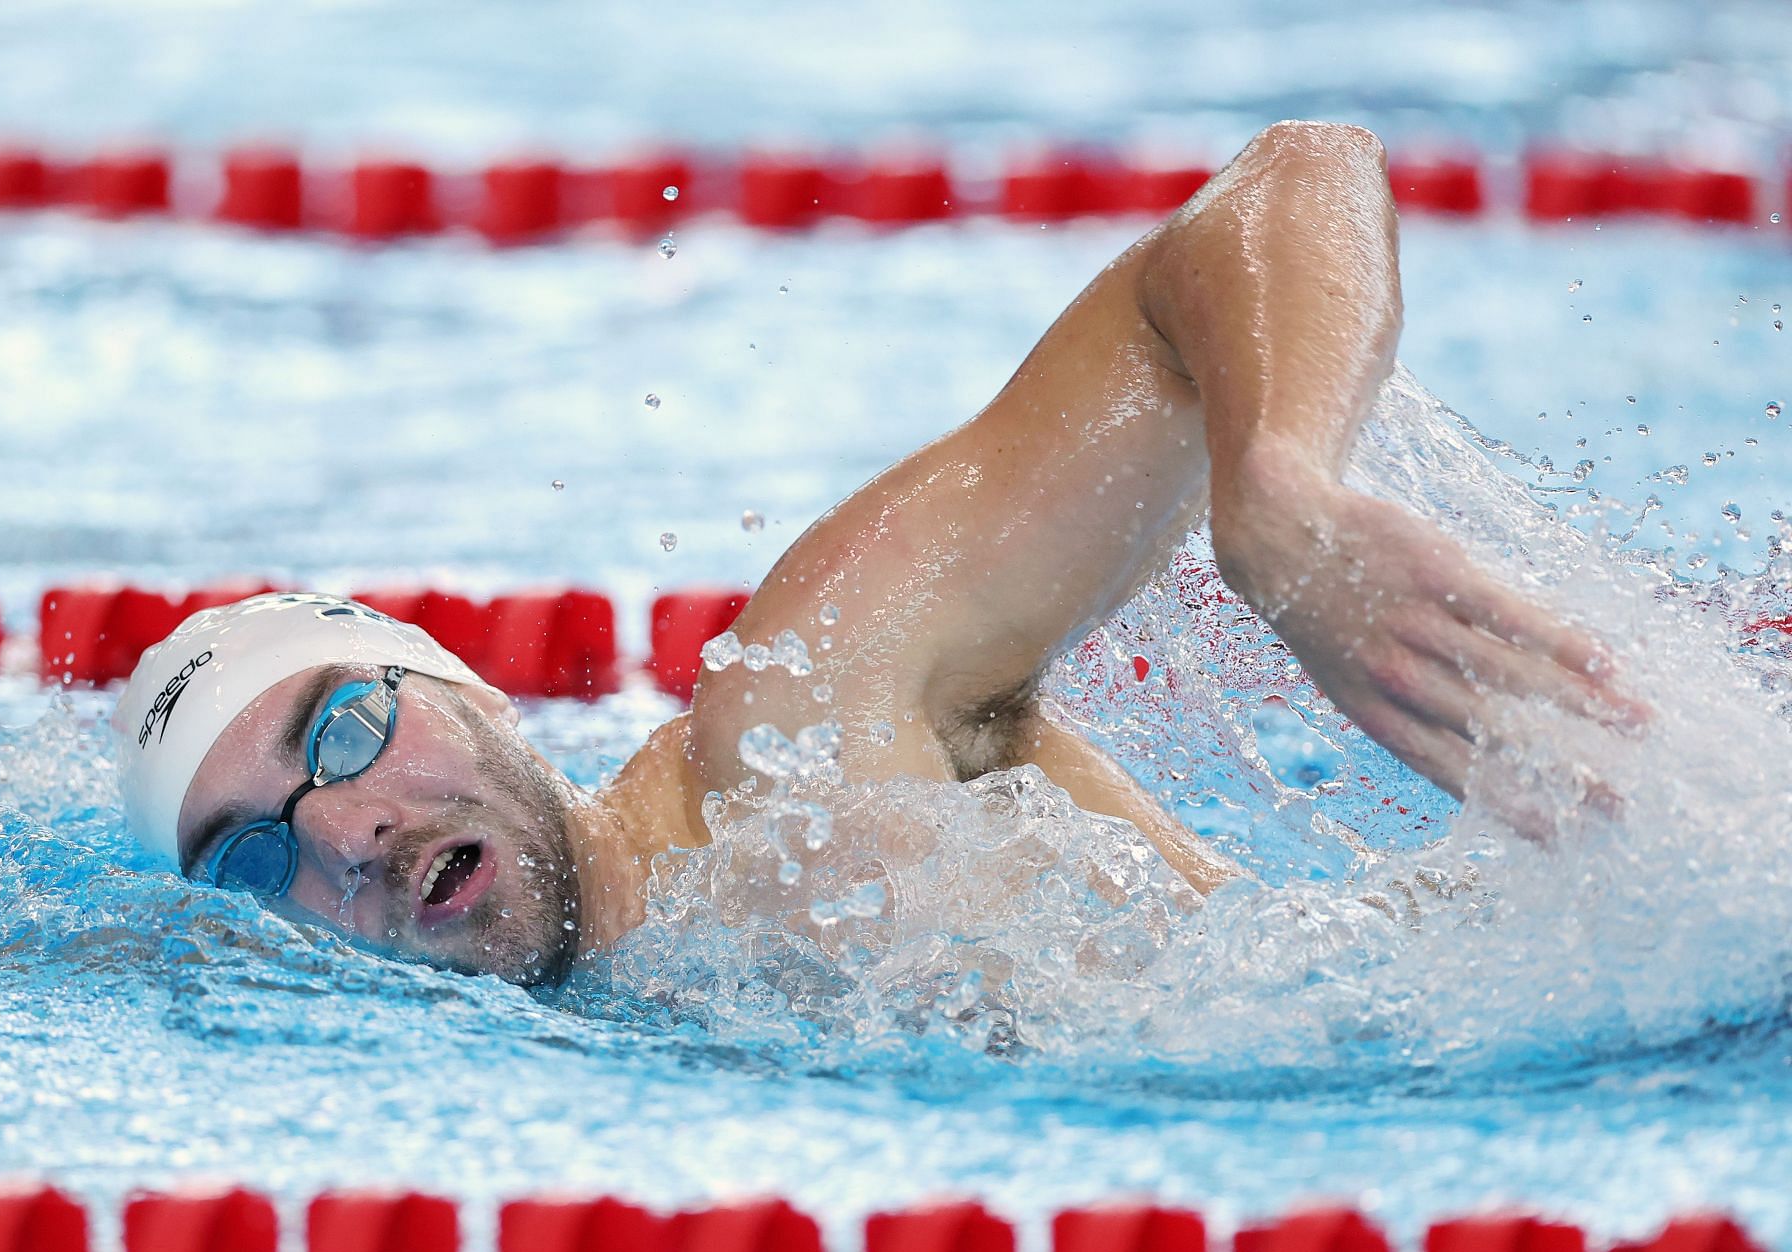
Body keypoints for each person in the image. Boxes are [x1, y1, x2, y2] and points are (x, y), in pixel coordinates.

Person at [113, 120, 1634, 986]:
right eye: (254, 853)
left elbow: (1293, 179)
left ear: (480, 698)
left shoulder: (799, 732)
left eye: (347, 725)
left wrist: (1281, 500)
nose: (346, 833)